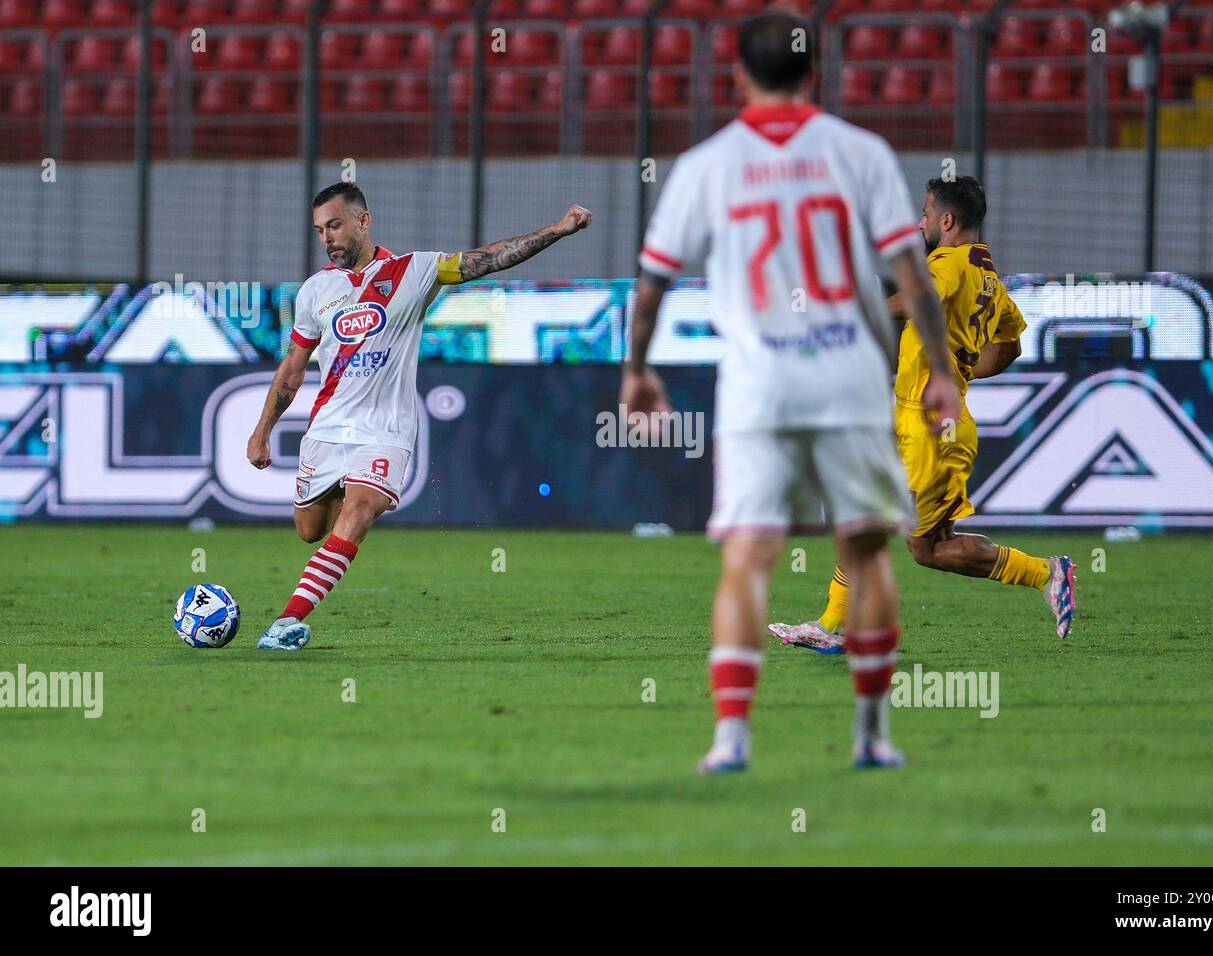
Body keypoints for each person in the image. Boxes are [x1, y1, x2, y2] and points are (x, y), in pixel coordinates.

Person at [622, 10, 960, 773]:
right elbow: (912, 276)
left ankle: (731, 738)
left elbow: (652, 284)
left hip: (758, 387)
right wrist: (940, 371)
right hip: (848, 377)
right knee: (867, 554)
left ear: (738, 76)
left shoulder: (707, 163)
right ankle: (872, 735)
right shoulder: (861, 152)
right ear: (813, 75)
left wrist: (637, 369)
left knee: (747, 558)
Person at [246, 182, 591, 650]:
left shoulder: (415, 270)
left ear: (364, 221)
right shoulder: (315, 292)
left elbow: (489, 258)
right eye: (320, 230)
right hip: (327, 430)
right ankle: (321, 549)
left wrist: (557, 229)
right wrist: (262, 430)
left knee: (362, 508)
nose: (327, 238)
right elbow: (293, 366)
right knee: (310, 530)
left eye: (335, 225)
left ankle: (287, 621)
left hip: (385, 432)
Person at [770, 176, 1077, 653]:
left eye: (927, 213)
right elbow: (1010, 345)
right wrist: (961, 368)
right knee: (900, 533)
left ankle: (836, 625)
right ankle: (834, 625)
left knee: (899, 533)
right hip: (924, 420)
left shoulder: (947, 262)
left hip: (930, 429)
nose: (921, 222)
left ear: (947, 221)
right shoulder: (989, 278)